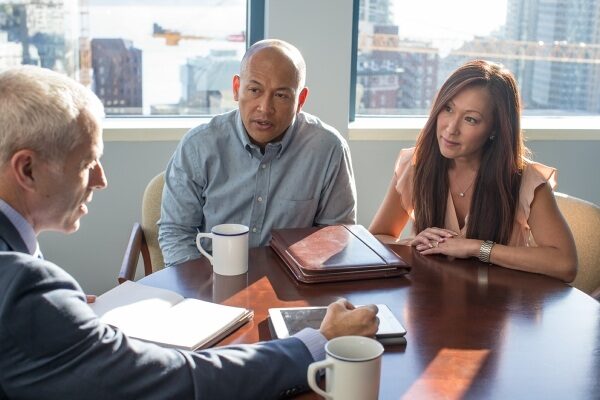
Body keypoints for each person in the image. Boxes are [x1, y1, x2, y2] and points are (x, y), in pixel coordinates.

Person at [0, 66, 378, 399]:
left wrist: (64, 323)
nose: (102, 180)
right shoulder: (23, 287)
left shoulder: (23, 282)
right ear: (28, 170)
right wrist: (316, 343)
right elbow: (180, 381)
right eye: (87, 163)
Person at [369, 60, 577, 282]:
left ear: (495, 129)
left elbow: (565, 264)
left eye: (470, 119)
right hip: (430, 303)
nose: (451, 129)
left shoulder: (524, 179)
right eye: (448, 109)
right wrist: (412, 243)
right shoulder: (416, 164)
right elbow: (375, 238)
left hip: (502, 307)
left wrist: (476, 248)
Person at [159, 39, 356, 267]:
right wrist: (201, 289)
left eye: (281, 95)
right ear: (236, 88)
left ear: (300, 100)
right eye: (254, 90)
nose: (265, 108)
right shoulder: (198, 146)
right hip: (212, 281)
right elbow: (176, 232)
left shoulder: (328, 149)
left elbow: (335, 237)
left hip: (291, 287)